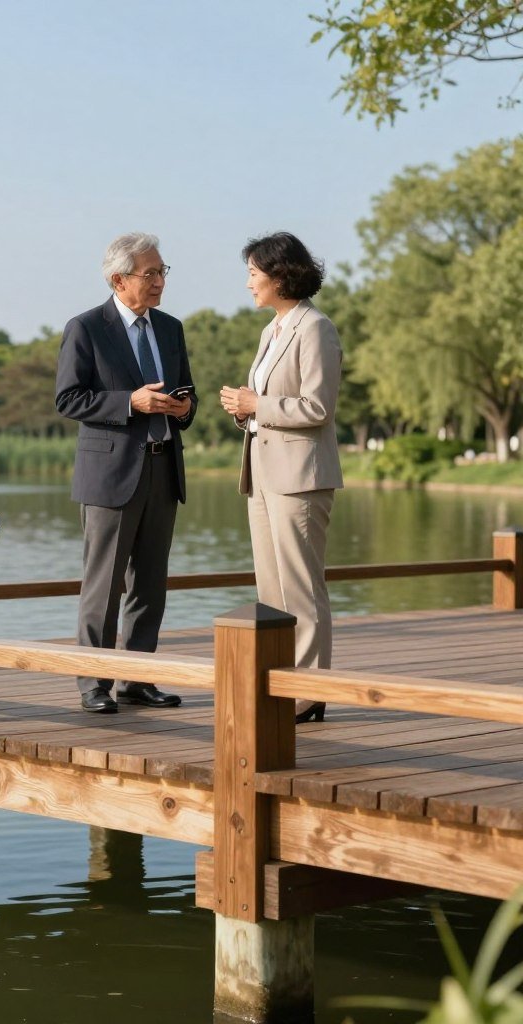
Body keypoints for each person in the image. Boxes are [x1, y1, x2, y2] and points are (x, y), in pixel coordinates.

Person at [55, 232, 198, 713]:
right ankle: (93, 684)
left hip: (163, 468)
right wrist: (129, 402)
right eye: (150, 273)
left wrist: (185, 407)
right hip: (111, 475)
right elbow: (68, 399)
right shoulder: (86, 328)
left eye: (163, 272)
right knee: (104, 584)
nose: (159, 281)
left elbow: (187, 392)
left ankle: (137, 680)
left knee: (150, 584)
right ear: (119, 279)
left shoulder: (172, 328)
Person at [219, 231, 343, 723]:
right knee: (271, 590)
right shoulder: (272, 330)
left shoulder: (316, 328)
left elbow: (317, 406)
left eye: (253, 273)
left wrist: (257, 405)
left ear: (279, 274)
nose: (248, 282)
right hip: (263, 476)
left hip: (300, 477)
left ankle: (310, 690)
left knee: (301, 588)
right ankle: (279, 682)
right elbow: (266, 407)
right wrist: (242, 411)